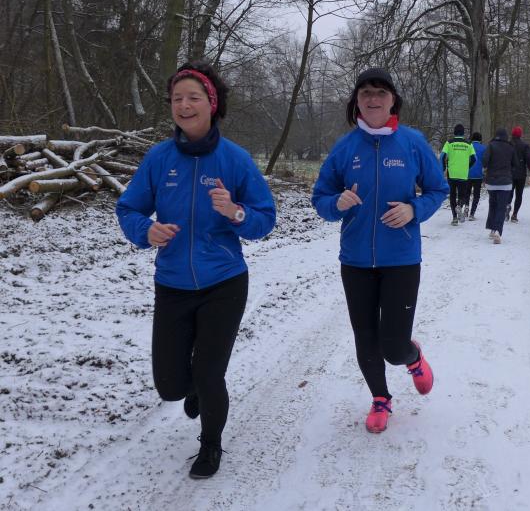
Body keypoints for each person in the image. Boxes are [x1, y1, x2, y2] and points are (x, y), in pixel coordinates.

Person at [116, 61, 276, 479]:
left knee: (208, 372)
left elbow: (265, 219)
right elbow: (128, 208)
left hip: (224, 282)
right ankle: (195, 391)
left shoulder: (235, 160)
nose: (184, 105)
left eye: (193, 97)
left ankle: (210, 445)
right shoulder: (159, 158)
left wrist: (235, 212)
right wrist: (146, 230)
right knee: (170, 385)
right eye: (177, 99)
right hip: (172, 283)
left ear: (212, 103)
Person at [311, 67, 449, 434]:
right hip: (356, 261)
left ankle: (412, 356)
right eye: (365, 93)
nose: (373, 99)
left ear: (393, 101)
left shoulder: (412, 143)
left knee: (393, 346)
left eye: (380, 93)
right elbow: (320, 198)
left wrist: (414, 210)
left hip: (401, 259)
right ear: (356, 102)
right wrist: (336, 203)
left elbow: (438, 189)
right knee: (366, 339)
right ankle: (380, 398)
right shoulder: (345, 148)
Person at [482, 128, 517, 244]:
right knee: (501, 207)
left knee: (493, 204)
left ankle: (492, 230)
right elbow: (515, 164)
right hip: (506, 182)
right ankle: (497, 231)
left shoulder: (491, 145)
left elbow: (484, 161)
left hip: (491, 182)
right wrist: (509, 171)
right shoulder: (511, 147)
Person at [440, 124, 476, 225]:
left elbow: (442, 156)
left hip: (451, 173)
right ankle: (459, 205)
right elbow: (474, 159)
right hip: (463, 174)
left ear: (454, 132)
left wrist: (443, 168)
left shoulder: (449, 142)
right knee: (462, 195)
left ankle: (455, 218)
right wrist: (467, 167)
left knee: (452, 195)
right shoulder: (469, 144)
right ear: (463, 133)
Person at [508, 126, 530, 223]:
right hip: (521, 174)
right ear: (520, 135)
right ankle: (514, 214)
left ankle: (507, 205)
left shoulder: (508, 144)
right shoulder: (525, 146)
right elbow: (529, 159)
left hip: (509, 173)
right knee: (519, 195)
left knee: (509, 192)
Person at [465, 132, 485, 221]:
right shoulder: (484, 148)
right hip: (478, 175)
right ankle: (472, 214)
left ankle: (466, 206)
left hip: (467, 173)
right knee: (476, 195)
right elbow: (485, 161)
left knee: (467, 192)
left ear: (472, 138)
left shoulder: (467, 146)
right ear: (480, 139)